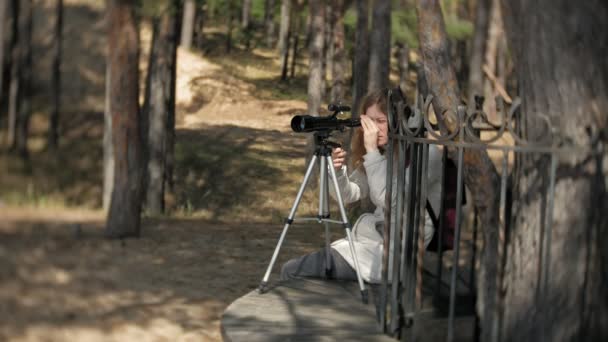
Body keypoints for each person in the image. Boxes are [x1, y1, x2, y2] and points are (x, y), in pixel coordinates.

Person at [280, 88, 443, 284]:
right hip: (374, 241)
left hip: (399, 250)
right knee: (296, 268)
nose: (373, 129)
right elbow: (349, 194)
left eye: (381, 121)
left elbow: (390, 200)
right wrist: (337, 171)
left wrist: (372, 150)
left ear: (399, 121)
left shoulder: (426, 153)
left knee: (294, 270)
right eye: (369, 122)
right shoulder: (387, 150)